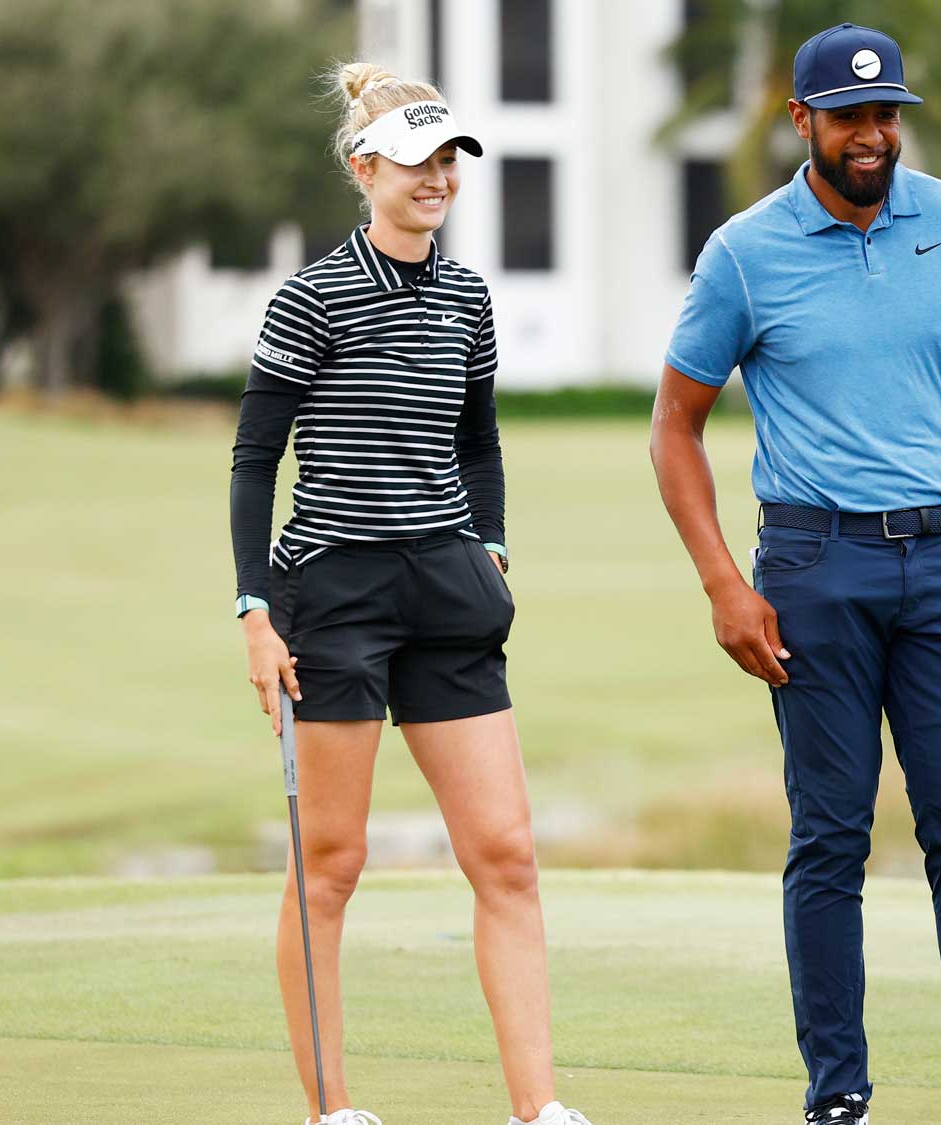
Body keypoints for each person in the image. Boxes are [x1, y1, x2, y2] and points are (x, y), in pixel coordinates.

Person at [649, 22, 941, 1125]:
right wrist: (720, 587)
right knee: (829, 836)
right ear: (803, 123)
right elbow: (673, 428)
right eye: (849, 117)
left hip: (940, 560)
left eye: (886, 115)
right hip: (809, 564)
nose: (873, 136)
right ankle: (836, 1094)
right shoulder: (744, 251)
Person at [230, 61, 592, 1125]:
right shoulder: (312, 297)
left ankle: (538, 1110)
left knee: (507, 855)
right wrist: (254, 608)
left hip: (448, 590)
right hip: (331, 592)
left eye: (448, 160)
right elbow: (257, 460)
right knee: (332, 863)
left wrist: (492, 547)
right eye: (414, 161)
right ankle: (333, 1110)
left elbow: (477, 442)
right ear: (363, 168)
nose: (435, 178)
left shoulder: (468, 297)